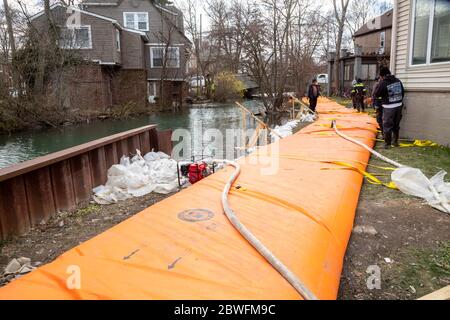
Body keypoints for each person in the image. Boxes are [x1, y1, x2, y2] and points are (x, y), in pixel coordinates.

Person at [373, 66, 405, 149]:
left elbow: (377, 94)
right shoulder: (398, 81)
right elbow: (403, 92)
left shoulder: (383, 83)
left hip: (388, 107)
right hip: (399, 105)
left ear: (382, 75)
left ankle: (387, 144)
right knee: (396, 124)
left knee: (387, 125)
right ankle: (395, 142)